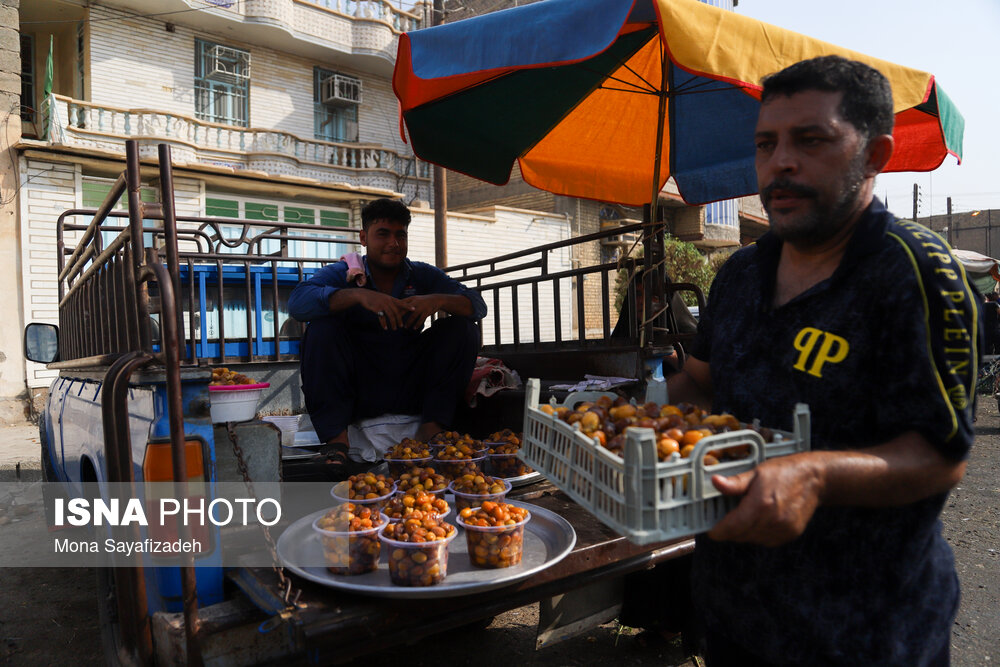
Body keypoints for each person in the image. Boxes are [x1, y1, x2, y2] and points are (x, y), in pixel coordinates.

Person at [667, 56, 979, 665]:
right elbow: (699, 385)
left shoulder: (914, 274)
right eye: (766, 144)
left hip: (865, 632)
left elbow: (940, 456)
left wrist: (811, 475)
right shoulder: (738, 274)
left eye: (811, 140)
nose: (779, 162)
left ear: (876, 155)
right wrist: (628, 416)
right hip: (735, 612)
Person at [288, 198, 487, 474]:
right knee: (321, 329)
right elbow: (298, 304)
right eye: (383, 234)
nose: (393, 243)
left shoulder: (422, 275)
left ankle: (431, 429)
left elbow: (477, 305)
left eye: (400, 234)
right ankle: (337, 443)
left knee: (462, 328)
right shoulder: (343, 273)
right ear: (364, 238)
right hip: (359, 389)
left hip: (409, 383)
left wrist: (438, 300)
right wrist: (358, 296)